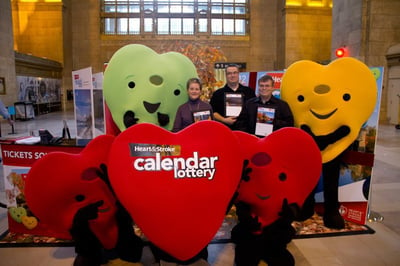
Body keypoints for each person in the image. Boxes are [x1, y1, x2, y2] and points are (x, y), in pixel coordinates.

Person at [231, 75, 297, 266]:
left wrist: (271, 123)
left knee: (271, 186)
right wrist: (249, 135)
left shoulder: (282, 105)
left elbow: (290, 125)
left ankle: (272, 219)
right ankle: (251, 219)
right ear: (258, 87)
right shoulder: (250, 104)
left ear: (273, 87)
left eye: (267, 85)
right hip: (254, 151)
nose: (264, 88)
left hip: (275, 152)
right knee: (253, 185)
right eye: (261, 85)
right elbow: (241, 124)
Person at [210, 64, 255, 129]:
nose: (232, 75)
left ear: (238, 74)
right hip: (225, 129)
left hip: (245, 130)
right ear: (226, 75)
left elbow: (254, 110)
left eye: (235, 73)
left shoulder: (249, 92)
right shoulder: (217, 94)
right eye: (229, 73)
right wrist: (224, 120)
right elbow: (213, 112)